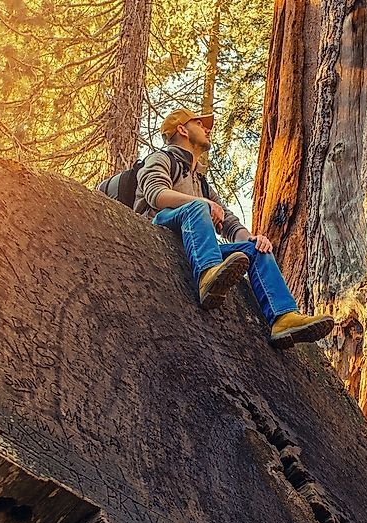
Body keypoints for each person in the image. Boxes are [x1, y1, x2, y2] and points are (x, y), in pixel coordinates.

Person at [135, 108, 334, 348]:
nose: (208, 129)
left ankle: (283, 317)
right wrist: (201, 204)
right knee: (197, 209)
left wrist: (252, 239)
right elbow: (156, 194)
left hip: (196, 244)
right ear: (182, 129)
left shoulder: (201, 182)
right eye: (200, 123)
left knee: (256, 250)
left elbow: (228, 221)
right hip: (162, 231)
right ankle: (208, 278)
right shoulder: (162, 159)